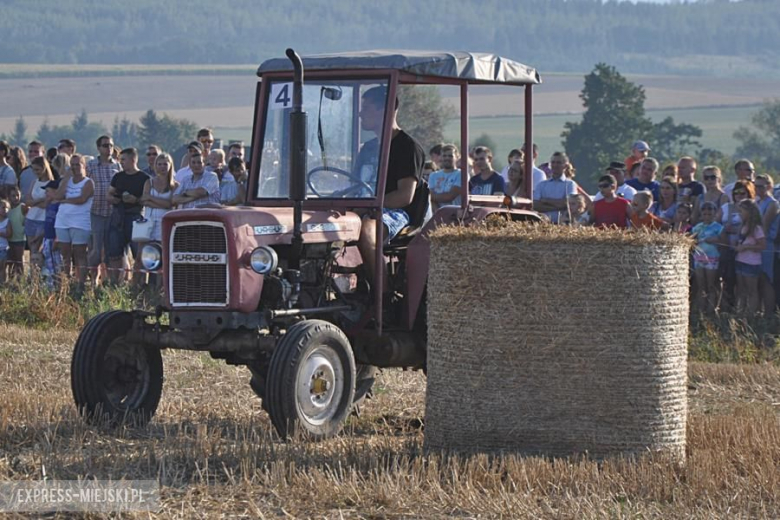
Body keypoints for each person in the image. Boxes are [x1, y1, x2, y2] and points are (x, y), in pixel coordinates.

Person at [354, 85, 424, 289]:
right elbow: (354, 184)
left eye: (366, 108)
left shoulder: (407, 147)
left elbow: (404, 196)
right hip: (363, 207)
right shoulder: (367, 148)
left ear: (385, 110)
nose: (360, 113)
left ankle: (382, 297)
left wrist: (368, 208)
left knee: (366, 230)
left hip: (393, 212)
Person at [106, 148, 148, 285]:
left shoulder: (144, 178)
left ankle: (139, 284)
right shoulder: (118, 177)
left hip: (136, 218)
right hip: (118, 217)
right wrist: (114, 199)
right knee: (114, 253)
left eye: (123, 159)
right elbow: (109, 194)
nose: (121, 162)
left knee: (139, 254)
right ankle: (115, 284)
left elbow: (147, 199)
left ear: (133, 160)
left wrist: (135, 199)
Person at [53, 154, 94, 289]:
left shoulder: (88, 182)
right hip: (63, 221)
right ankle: (66, 283)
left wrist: (65, 200)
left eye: (78, 165)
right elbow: (57, 196)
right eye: (73, 165)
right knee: (65, 253)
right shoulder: (67, 181)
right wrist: (66, 178)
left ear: (84, 166)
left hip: (80, 222)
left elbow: (81, 199)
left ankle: (81, 283)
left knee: (79, 253)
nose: (75, 168)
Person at [717, 180, 754, 311]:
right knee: (727, 279)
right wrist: (724, 228)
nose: (739, 195)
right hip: (727, 248)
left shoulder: (753, 209)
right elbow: (715, 225)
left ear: (749, 193)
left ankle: (744, 311)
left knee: (743, 283)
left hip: (746, 250)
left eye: (742, 192)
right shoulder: (726, 207)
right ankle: (727, 309)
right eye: (736, 192)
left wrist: (738, 230)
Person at [691, 201, 724, 313]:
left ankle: (711, 308)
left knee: (711, 284)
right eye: (704, 214)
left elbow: (722, 239)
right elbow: (692, 239)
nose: (707, 217)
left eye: (709, 214)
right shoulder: (697, 227)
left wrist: (715, 239)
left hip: (712, 257)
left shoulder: (718, 227)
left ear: (714, 214)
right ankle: (701, 309)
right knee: (701, 284)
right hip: (699, 257)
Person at [140, 153, 178, 248]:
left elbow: (170, 204)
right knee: (144, 251)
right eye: (160, 164)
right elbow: (144, 200)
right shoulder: (149, 182)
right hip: (149, 221)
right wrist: (162, 203)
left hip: (165, 222)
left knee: (163, 249)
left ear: (170, 165)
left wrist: (151, 198)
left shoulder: (175, 185)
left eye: (165, 164)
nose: (162, 167)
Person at [734, 199, 765, 316]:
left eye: (741, 211)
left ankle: (751, 315)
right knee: (741, 290)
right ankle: (740, 313)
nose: (739, 213)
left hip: (751, 263)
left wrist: (746, 247)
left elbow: (762, 245)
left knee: (751, 290)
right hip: (740, 260)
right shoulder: (743, 226)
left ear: (749, 211)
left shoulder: (756, 228)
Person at [24, 157, 54, 270]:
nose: (36, 173)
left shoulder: (51, 183)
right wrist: (38, 201)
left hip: (43, 219)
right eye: (34, 170)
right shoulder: (34, 182)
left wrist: (34, 202)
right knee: (32, 248)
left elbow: (47, 204)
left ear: (44, 168)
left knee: (39, 248)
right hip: (31, 218)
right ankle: (32, 274)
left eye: (38, 170)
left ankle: (41, 273)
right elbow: (27, 201)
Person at [754, 174, 778, 315]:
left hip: (766, 245)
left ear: (769, 186)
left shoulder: (772, 203)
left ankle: (769, 313)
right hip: (756, 244)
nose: (757, 189)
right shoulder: (758, 202)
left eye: (761, 186)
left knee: (766, 278)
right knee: (758, 279)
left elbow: (764, 225)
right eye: (755, 186)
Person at [533, 152, 577, 223]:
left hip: (562, 225)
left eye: (558, 163)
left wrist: (546, 201)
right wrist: (559, 206)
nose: (555, 165)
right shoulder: (541, 185)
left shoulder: (570, 184)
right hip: (543, 224)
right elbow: (535, 205)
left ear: (565, 166)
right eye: (553, 162)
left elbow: (569, 204)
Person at [428, 144, 462, 210]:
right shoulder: (433, 175)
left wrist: (433, 196)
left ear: (457, 157)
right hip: (437, 213)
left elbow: (450, 196)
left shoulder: (461, 174)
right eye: (444, 156)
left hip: (455, 214)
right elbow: (429, 197)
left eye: (450, 156)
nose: (447, 158)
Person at [41, 179, 62, 288]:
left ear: (56, 191)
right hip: (47, 238)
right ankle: (50, 287)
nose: (46, 194)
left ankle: (58, 287)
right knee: (48, 265)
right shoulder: (49, 205)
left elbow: (60, 223)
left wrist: (57, 239)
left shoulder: (59, 205)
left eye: (48, 191)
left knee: (56, 265)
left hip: (54, 239)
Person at [5, 186, 25, 277]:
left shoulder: (22, 207)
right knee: (10, 262)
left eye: (18, 195)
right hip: (8, 240)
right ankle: (11, 281)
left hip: (19, 239)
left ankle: (21, 280)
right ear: (8, 197)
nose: (16, 198)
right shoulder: (6, 210)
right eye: (13, 196)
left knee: (19, 261)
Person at [0, 198, 11, 284]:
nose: (5, 210)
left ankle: (4, 284)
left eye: (6, 208)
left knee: (2, 267)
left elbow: (9, 234)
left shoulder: (8, 221)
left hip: (3, 248)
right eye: (3, 207)